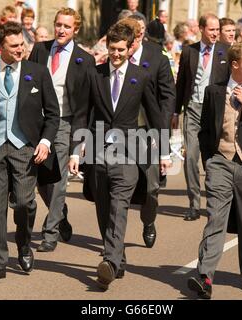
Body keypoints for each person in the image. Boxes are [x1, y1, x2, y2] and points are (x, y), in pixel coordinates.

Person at [68, 22, 169, 290]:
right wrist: (76, 151)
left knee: (118, 206)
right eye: (112, 49)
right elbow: (80, 115)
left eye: (121, 49)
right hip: (98, 150)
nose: (115, 54)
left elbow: (156, 117)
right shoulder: (94, 74)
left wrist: (165, 151)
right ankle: (117, 254)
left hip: (129, 150)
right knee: (103, 207)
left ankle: (109, 263)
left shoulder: (141, 76)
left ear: (130, 47)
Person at [187, 41, 242, 299]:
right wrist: (209, 160)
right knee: (215, 218)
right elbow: (205, 130)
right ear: (235, 65)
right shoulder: (214, 92)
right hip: (220, 162)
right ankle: (205, 275)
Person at [0, 22, 59, 281]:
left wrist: (45, 142)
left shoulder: (38, 73)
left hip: (26, 149)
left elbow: (53, 114)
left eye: (22, 44)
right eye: (14, 46)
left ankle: (23, 243)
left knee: (23, 202)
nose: (21, 49)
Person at [29, 7, 95, 252]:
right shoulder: (40, 49)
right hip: (38, 121)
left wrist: (80, 142)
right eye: (58, 24)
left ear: (75, 29)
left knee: (57, 180)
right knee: (40, 180)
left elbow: (85, 106)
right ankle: (60, 212)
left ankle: (50, 233)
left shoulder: (84, 60)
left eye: (67, 26)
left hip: (65, 123)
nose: (61, 30)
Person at [119, 16, 175, 248]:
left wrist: (163, 139)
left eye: (141, 29)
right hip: (120, 131)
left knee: (152, 187)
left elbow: (167, 97)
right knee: (118, 187)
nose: (138, 32)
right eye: (133, 29)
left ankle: (148, 221)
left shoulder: (157, 57)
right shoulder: (116, 54)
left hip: (149, 131)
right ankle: (114, 241)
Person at [172, 13, 230, 221]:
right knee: (191, 157)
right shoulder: (189, 52)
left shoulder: (226, 52)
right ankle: (194, 204)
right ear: (202, 29)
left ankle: (215, 202)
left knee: (213, 159)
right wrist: (175, 111)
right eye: (212, 29)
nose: (215, 33)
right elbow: (181, 84)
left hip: (215, 112)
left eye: (217, 30)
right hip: (193, 109)